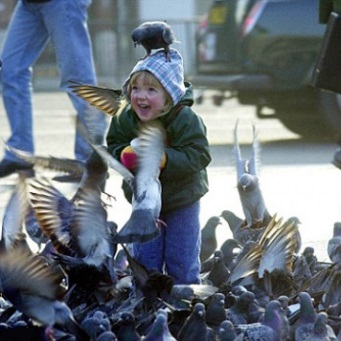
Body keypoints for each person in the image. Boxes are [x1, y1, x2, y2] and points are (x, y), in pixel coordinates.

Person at [106, 48, 212, 284]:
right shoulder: (125, 117)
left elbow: (199, 154)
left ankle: (184, 296)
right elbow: (113, 143)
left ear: (169, 95)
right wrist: (123, 154)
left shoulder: (185, 118)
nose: (140, 96)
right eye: (135, 89)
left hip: (182, 197)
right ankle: (146, 298)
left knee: (181, 256)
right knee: (146, 256)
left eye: (151, 90)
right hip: (144, 200)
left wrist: (165, 159)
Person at [0, 0, 107, 180]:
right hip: (29, 4)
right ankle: (20, 153)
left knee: (77, 77)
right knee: (10, 70)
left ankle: (91, 159)